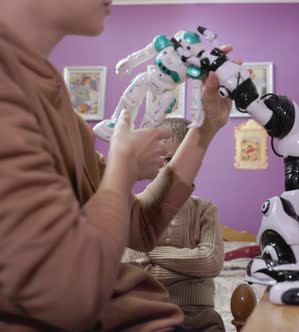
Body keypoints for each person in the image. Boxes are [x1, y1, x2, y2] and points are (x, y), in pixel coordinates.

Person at [0, 0, 233, 330]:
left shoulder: (53, 96)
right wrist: (123, 169)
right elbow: (68, 293)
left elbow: (138, 226)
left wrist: (206, 125)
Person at [122, 118, 225, 332]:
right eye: (162, 160)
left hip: (201, 317)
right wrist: (192, 271)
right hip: (150, 314)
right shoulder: (134, 207)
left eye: (175, 160)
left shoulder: (205, 209)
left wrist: (153, 253)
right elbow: (135, 275)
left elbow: (211, 262)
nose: (167, 169)